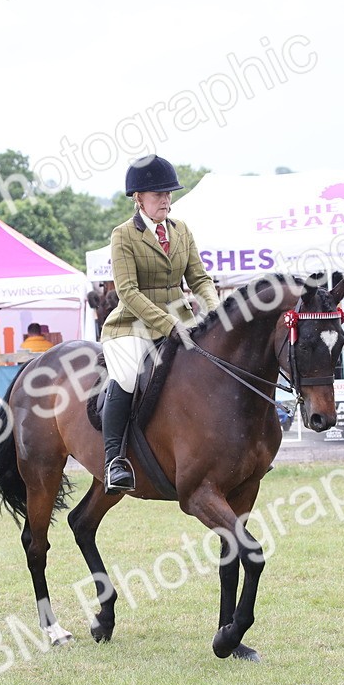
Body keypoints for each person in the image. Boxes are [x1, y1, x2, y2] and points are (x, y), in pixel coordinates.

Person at [100, 154, 220, 493]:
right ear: (139, 199)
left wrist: (214, 311)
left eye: (169, 193)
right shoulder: (123, 235)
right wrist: (168, 323)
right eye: (158, 194)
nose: (166, 199)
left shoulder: (181, 231)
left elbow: (200, 278)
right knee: (124, 377)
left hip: (184, 320)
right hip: (132, 324)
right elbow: (128, 291)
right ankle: (114, 460)